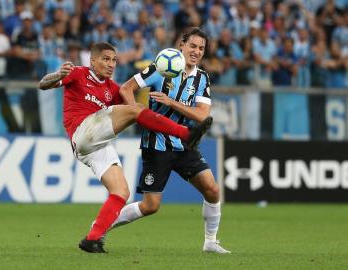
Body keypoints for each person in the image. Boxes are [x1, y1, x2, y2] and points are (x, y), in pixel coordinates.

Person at [38, 42, 212, 253]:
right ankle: (186, 134)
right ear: (92, 60)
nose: (111, 64)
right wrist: (57, 74)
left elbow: (135, 105)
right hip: (82, 131)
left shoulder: (112, 88)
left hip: (94, 146)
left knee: (121, 192)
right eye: (105, 59)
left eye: (113, 60)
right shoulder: (78, 73)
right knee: (135, 110)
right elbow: (43, 85)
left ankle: (92, 239)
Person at [112, 27, 230, 254]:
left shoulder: (202, 78)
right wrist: (136, 111)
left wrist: (171, 102)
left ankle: (210, 242)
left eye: (201, 48)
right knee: (150, 206)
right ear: (181, 45)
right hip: (156, 143)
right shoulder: (160, 66)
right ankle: (101, 227)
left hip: (185, 143)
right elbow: (127, 88)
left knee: (212, 189)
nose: (196, 51)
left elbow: (202, 115)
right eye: (193, 46)